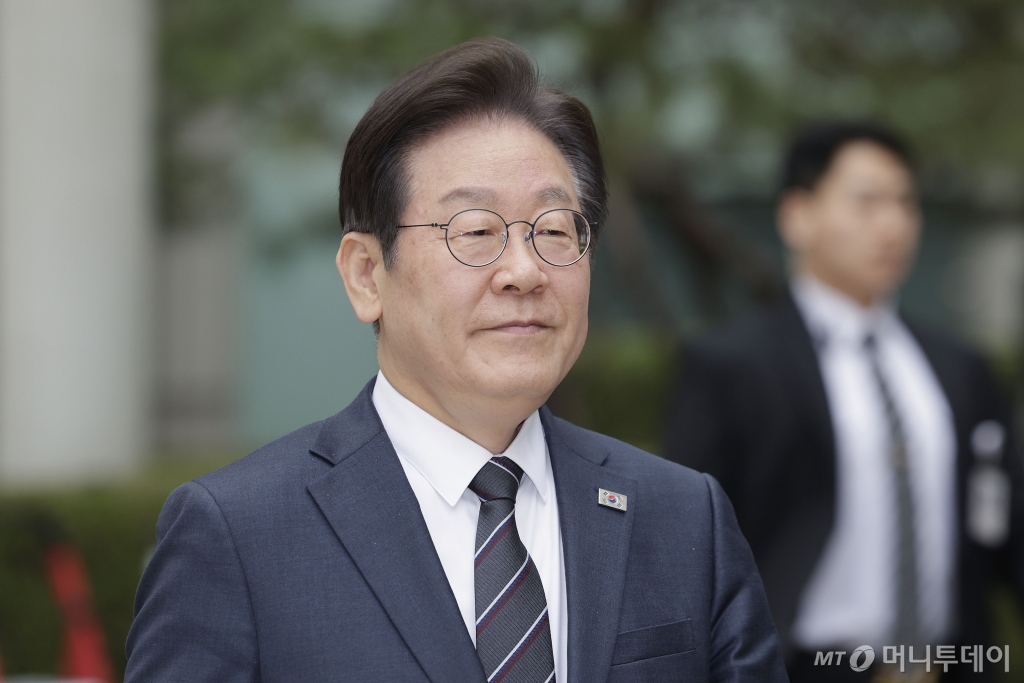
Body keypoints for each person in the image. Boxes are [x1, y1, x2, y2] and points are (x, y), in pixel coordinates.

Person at [124, 38, 786, 683]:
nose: (524, 271)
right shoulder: (238, 534)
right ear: (366, 275)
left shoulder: (683, 518)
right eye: (476, 231)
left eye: (555, 230)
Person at [664, 121, 1024, 682]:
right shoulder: (732, 365)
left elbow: (1001, 521)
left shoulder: (960, 367)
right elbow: (685, 545)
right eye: (867, 201)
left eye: (906, 203)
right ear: (797, 215)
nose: (894, 224)